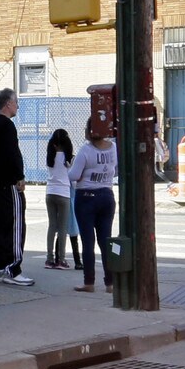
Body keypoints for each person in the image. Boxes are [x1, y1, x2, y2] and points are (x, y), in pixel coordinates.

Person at [0, 89, 32, 285]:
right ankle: (13, 269)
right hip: (8, 184)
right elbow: (13, 153)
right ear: (8, 104)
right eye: (16, 102)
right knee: (15, 225)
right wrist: (19, 176)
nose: (17, 106)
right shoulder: (7, 126)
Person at [71, 116, 118, 292]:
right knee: (105, 240)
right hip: (107, 195)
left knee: (88, 241)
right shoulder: (113, 148)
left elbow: (74, 175)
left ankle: (89, 282)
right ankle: (110, 283)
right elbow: (114, 171)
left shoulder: (86, 150)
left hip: (86, 197)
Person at [43, 126, 79, 271]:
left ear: (53, 144)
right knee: (62, 228)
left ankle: (49, 258)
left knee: (52, 226)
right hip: (64, 193)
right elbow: (73, 179)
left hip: (50, 192)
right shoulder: (69, 158)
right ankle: (61, 260)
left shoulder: (50, 157)